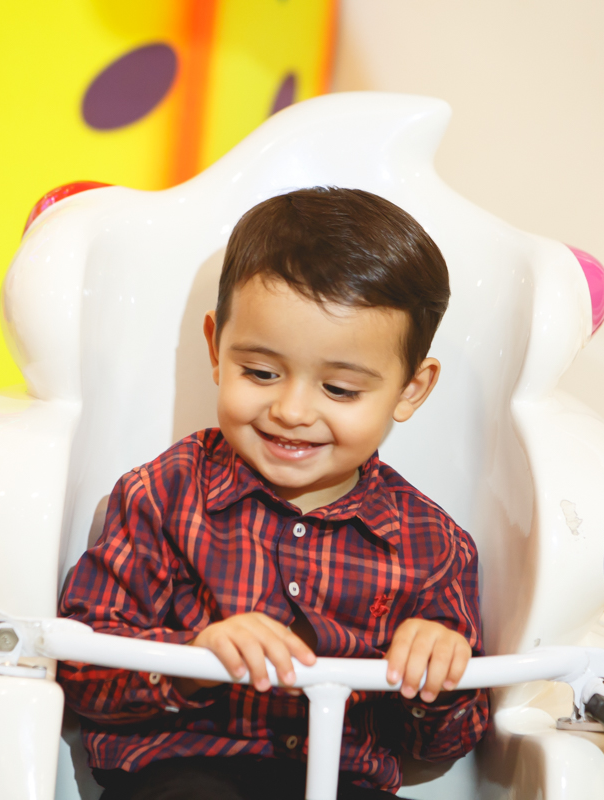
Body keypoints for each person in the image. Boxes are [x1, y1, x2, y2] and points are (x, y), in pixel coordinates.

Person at [58, 187, 489, 800]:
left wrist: (441, 677)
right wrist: (196, 658)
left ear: (410, 390)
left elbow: (446, 744)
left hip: (344, 784)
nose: (291, 410)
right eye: (260, 373)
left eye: (340, 389)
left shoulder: (433, 545)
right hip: (183, 776)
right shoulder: (164, 494)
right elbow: (79, 670)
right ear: (216, 348)